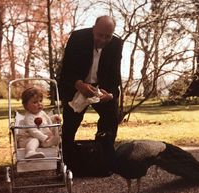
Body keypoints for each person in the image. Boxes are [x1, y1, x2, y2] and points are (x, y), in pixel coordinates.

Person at [58, 15, 123, 164]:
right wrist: (79, 85)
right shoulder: (78, 38)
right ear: (93, 29)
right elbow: (67, 70)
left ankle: (104, 158)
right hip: (77, 86)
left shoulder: (116, 44)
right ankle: (66, 161)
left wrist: (110, 95)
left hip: (101, 88)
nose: (103, 40)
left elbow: (114, 74)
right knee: (70, 124)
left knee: (111, 118)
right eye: (100, 35)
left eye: (108, 36)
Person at [16, 87, 61, 159]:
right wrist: (45, 138)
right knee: (35, 140)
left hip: (41, 138)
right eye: (35, 102)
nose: (39, 104)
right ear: (26, 106)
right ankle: (30, 152)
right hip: (26, 139)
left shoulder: (42, 113)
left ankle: (54, 140)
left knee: (42, 140)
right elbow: (33, 131)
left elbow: (47, 121)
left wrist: (53, 118)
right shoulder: (29, 117)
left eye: (40, 101)